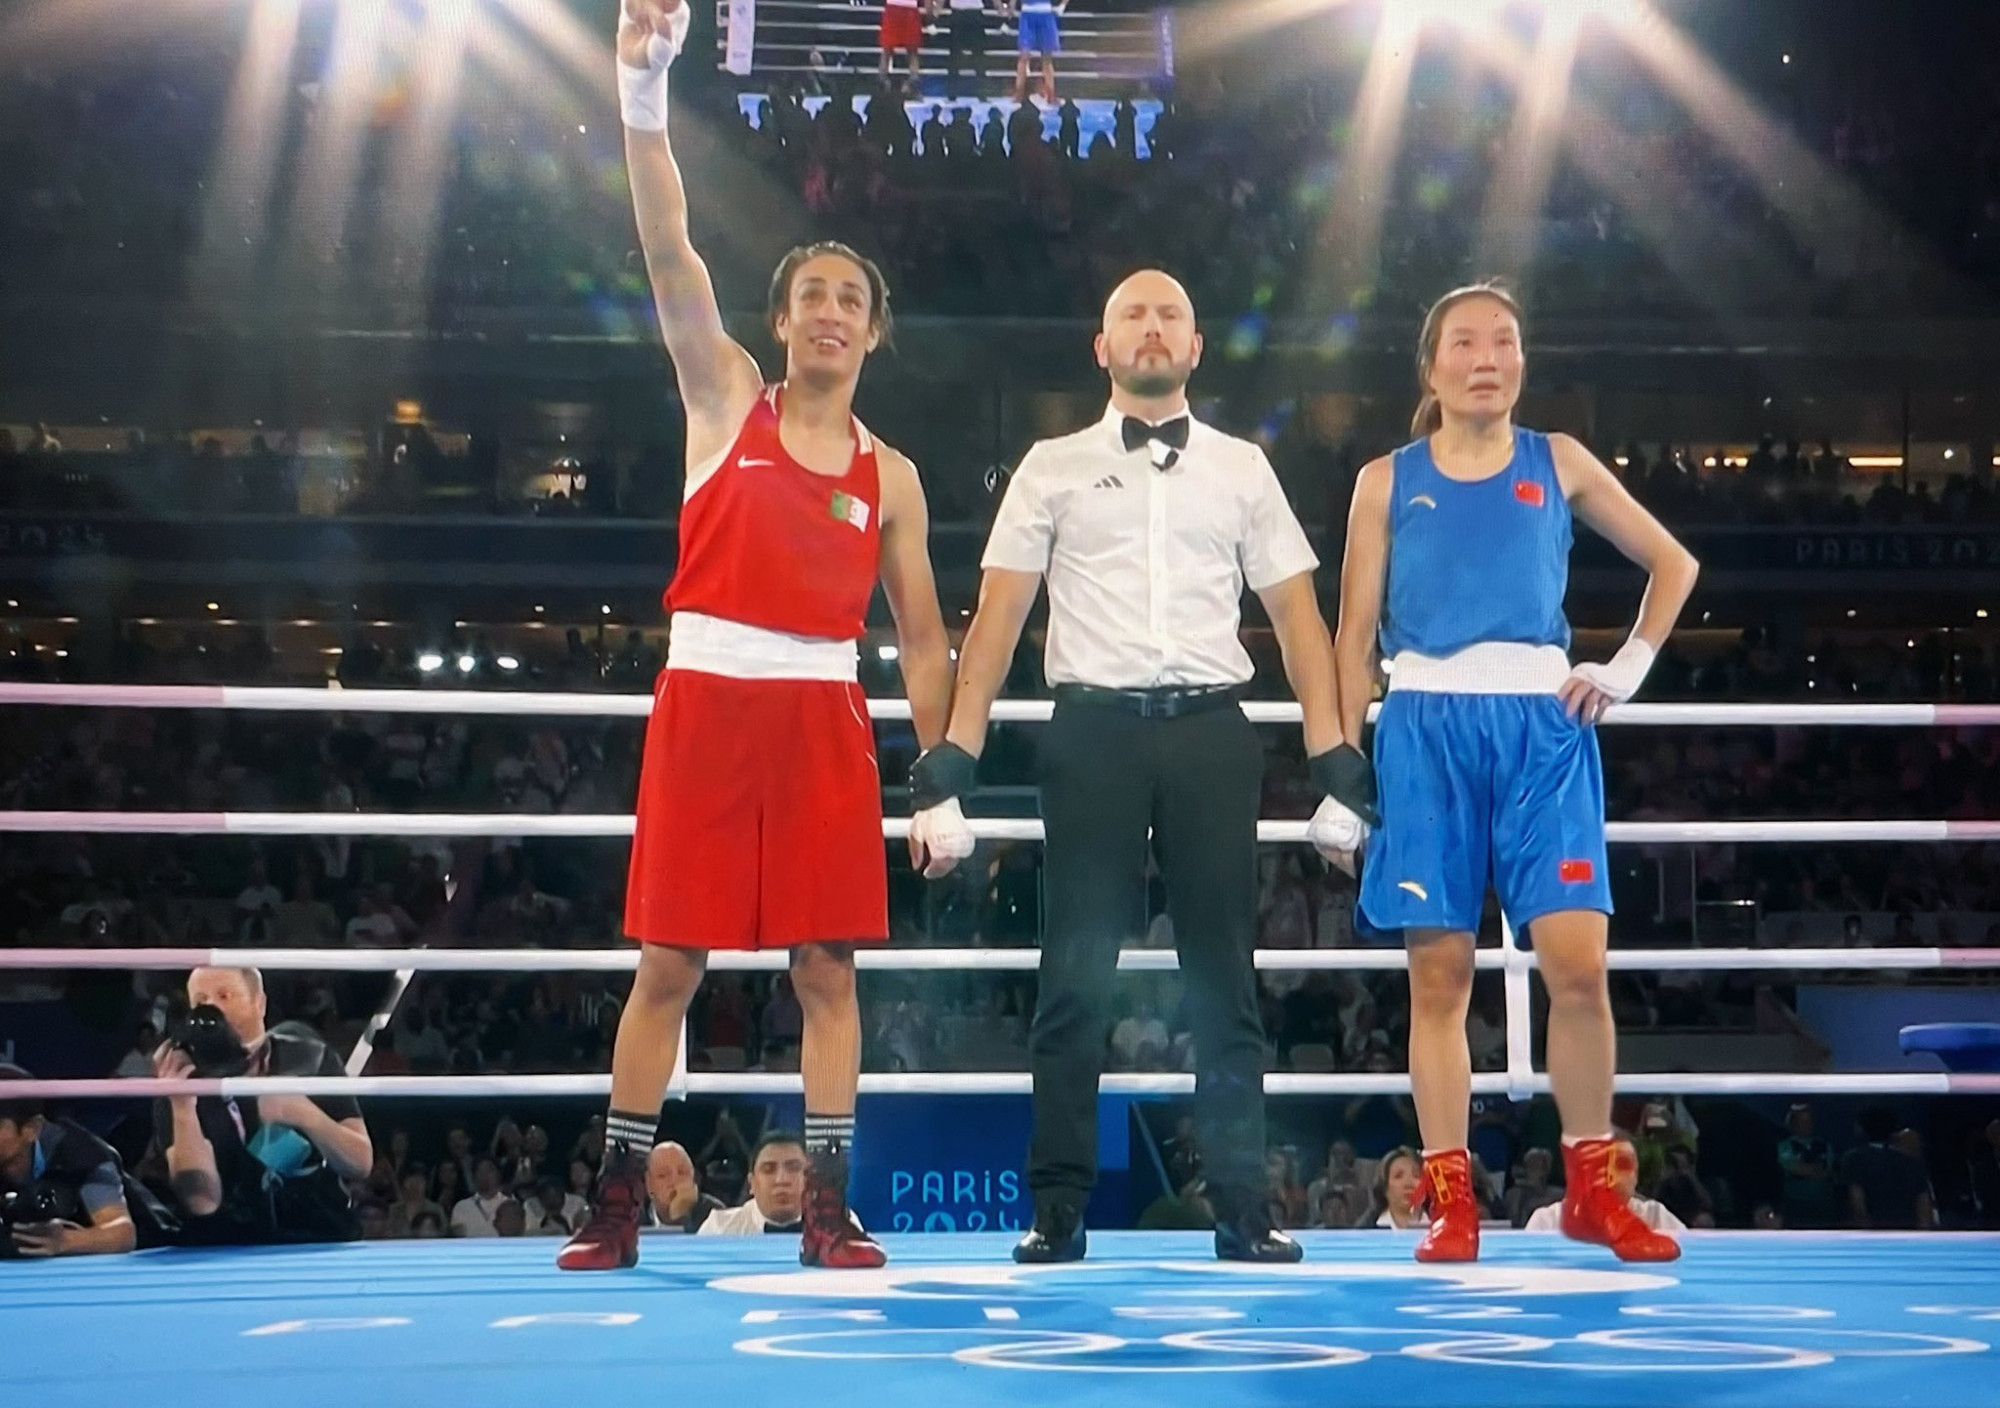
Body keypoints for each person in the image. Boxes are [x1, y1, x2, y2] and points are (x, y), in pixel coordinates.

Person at [560, 0, 963, 1275]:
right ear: (782, 320)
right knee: (667, 963)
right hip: (707, 701)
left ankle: (826, 1211)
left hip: (824, 719)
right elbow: (666, 241)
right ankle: (616, 1200)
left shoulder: (890, 474)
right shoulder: (720, 391)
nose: (831, 311)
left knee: (828, 972)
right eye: (812, 295)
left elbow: (925, 634)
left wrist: (941, 770)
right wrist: (643, 87)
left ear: (872, 328)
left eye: (851, 297)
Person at [914, 268, 1357, 1266]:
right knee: (1074, 972)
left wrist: (1332, 750)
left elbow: (1295, 616)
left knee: (1222, 979)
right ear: (1099, 345)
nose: (1151, 330)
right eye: (1131, 316)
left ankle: (1243, 1205)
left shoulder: (1243, 469)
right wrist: (954, 757)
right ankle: (1057, 1205)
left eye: (1169, 316)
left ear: (1195, 347)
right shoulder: (1050, 466)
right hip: (1091, 731)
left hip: (1210, 729)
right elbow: (997, 618)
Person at [1326, 281, 1700, 1264]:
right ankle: (1451, 1203)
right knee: (1438, 977)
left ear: (1521, 364)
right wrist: (1336, 767)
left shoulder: (1558, 460)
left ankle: (1591, 1190)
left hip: (1542, 731)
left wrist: (1623, 668)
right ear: (1432, 365)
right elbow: (1350, 634)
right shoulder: (1382, 479)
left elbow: (1673, 562)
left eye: (1501, 341)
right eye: (1463, 341)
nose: (1483, 356)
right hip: (1421, 727)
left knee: (1577, 968)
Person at [149, 966, 372, 1244]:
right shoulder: (181, 1078)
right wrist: (183, 1109)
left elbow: (360, 1163)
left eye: (224, 996)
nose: (212, 1011)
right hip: (226, 1244)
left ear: (259, 1003)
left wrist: (304, 1114)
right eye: (201, 1001)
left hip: (318, 1233)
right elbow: (202, 1202)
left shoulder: (308, 1057)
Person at [0, 1065, 139, 1257]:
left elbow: (122, 1233)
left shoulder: (83, 1155)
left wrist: (67, 1241)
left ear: (31, 1129)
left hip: (139, 1267)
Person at [1525, 1139, 1686, 1235]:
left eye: (1622, 1166)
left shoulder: (1655, 1216)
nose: (1611, 1176)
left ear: (1635, 1178)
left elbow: (1688, 1265)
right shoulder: (1546, 1222)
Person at [696, 1132, 821, 1235]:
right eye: (768, 1170)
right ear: (752, 1184)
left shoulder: (835, 1228)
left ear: (810, 1179)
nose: (781, 1180)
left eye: (794, 1168)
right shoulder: (720, 1229)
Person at [645, 1140, 725, 1232]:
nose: (674, 1181)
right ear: (649, 1184)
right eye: (663, 1175)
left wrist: (683, 1219)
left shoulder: (715, 1215)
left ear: (694, 1179)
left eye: (682, 1173)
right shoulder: (633, 1219)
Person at [1011, 0, 1062, 105]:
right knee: (1024, 56)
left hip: (1046, 14)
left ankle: (1051, 95)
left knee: (1047, 58)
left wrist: (1062, 5)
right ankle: (1018, 94)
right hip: (1028, 14)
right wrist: (1011, 6)